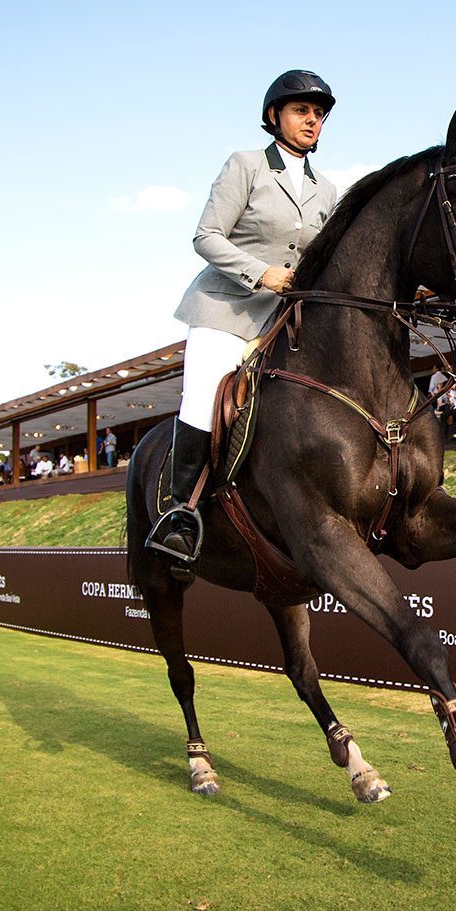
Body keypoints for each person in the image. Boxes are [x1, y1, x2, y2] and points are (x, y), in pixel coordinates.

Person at [148, 70, 340, 567]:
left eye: (318, 114)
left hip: (281, 322)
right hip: (226, 309)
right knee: (204, 397)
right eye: (302, 111)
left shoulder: (328, 189)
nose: (312, 121)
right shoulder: (247, 165)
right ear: (275, 116)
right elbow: (206, 236)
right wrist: (263, 274)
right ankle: (180, 514)